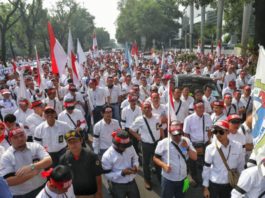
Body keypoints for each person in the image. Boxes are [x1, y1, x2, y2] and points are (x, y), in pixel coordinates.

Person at [0, 127, 52, 197]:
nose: (20, 139)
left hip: (42, 188)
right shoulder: (6, 156)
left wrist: (31, 167)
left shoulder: (35, 146)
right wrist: (32, 174)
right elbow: (8, 181)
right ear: (10, 140)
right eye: (15, 137)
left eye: (22, 135)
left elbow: (49, 160)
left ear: (26, 136)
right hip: (22, 195)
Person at [202, 120, 245, 198]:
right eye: (215, 131)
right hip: (214, 184)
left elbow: (241, 166)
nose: (218, 134)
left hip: (231, 184)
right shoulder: (210, 148)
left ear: (228, 132)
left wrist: (241, 185)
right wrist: (205, 188)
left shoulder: (238, 146)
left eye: (221, 132)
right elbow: (206, 168)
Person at [153, 124, 197, 198]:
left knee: (181, 196)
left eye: (179, 134)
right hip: (168, 179)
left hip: (183, 178)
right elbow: (155, 158)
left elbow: (195, 157)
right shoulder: (163, 143)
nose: (177, 137)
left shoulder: (186, 141)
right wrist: (163, 165)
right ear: (170, 134)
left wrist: (187, 148)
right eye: (175, 135)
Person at [129, 101, 164, 190]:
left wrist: (162, 139)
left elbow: (159, 127)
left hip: (157, 143)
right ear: (142, 110)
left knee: (158, 162)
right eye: (145, 108)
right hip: (146, 145)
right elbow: (131, 129)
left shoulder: (157, 117)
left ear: (151, 108)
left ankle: (161, 179)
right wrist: (139, 137)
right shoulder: (139, 119)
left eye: (148, 107)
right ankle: (147, 180)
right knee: (146, 163)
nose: (147, 109)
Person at [60, 130, 103, 198]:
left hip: (89, 194)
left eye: (76, 141)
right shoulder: (64, 158)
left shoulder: (92, 156)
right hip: (72, 194)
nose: (73, 144)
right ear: (67, 144)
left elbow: (98, 176)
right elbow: (63, 179)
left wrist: (99, 193)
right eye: (70, 142)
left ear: (81, 141)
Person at [101, 129, 140, 198]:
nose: (125, 148)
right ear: (116, 144)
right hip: (118, 186)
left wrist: (135, 166)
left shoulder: (129, 147)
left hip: (132, 182)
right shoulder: (107, 156)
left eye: (127, 146)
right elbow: (107, 175)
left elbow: (135, 158)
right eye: (123, 146)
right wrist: (122, 173)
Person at [183, 100, 212, 185]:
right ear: (195, 108)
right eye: (199, 107)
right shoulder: (189, 119)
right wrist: (190, 147)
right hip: (194, 144)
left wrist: (209, 141)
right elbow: (186, 134)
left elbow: (210, 130)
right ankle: (194, 177)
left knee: (206, 162)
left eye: (203, 107)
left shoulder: (207, 116)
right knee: (193, 163)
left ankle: (206, 178)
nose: (201, 109)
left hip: (205, 143)